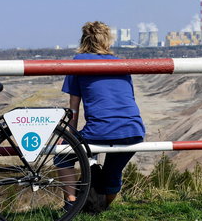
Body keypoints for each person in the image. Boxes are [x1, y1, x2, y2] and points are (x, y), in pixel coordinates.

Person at [58, 21, 145, 212]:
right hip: (133, 130)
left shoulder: (77, 62)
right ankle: (101, 209)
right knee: (112, 173)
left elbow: (73, 109)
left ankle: (72, 205)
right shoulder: (121, 64)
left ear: (84, 39)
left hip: (99, 130)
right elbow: (126, 99)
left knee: (61, 157)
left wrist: (68, 136)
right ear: (108, 40)